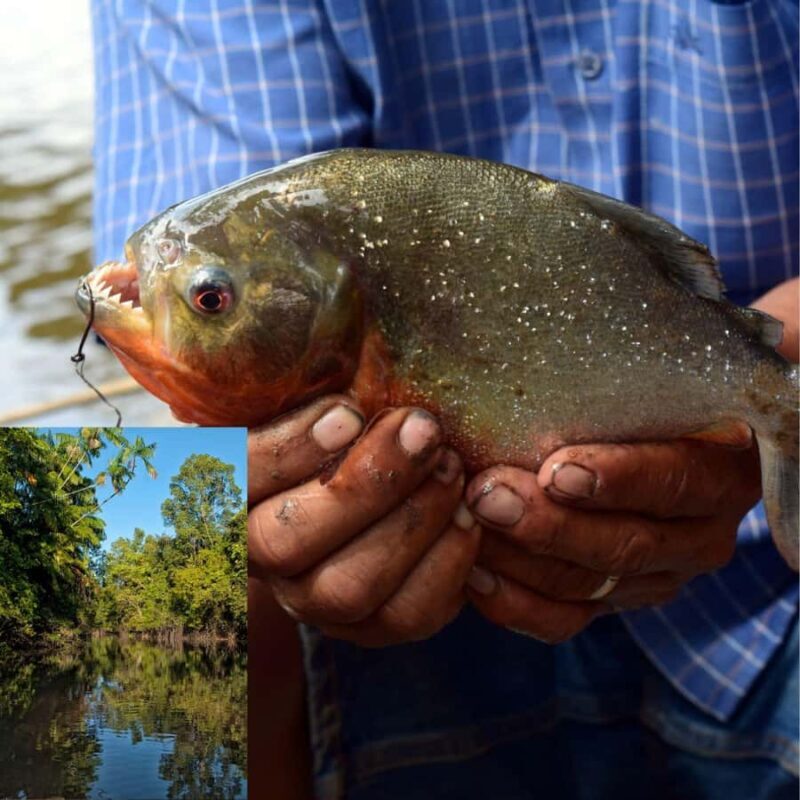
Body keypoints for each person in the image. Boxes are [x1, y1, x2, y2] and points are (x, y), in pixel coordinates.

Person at [91, 2, 799, 798]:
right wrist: (248, 509)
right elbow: (203, 400)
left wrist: (770, 369)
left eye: (207, 299)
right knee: (93, 580)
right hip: (380, 634)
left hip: (770, 582)